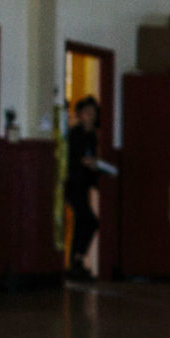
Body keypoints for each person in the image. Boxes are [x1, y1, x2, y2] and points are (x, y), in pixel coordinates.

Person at [64, 96, 103, 281]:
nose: (91, 116)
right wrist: (85, 162)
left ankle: (76, 261)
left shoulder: (92, 136)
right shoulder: (75, 134)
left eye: (94, 112)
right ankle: (76, 260)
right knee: (88, 220)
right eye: (88, 112)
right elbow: (73, 158)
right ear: (80, 115)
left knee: (84, 221)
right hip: (73, 184)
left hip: (84, 184)